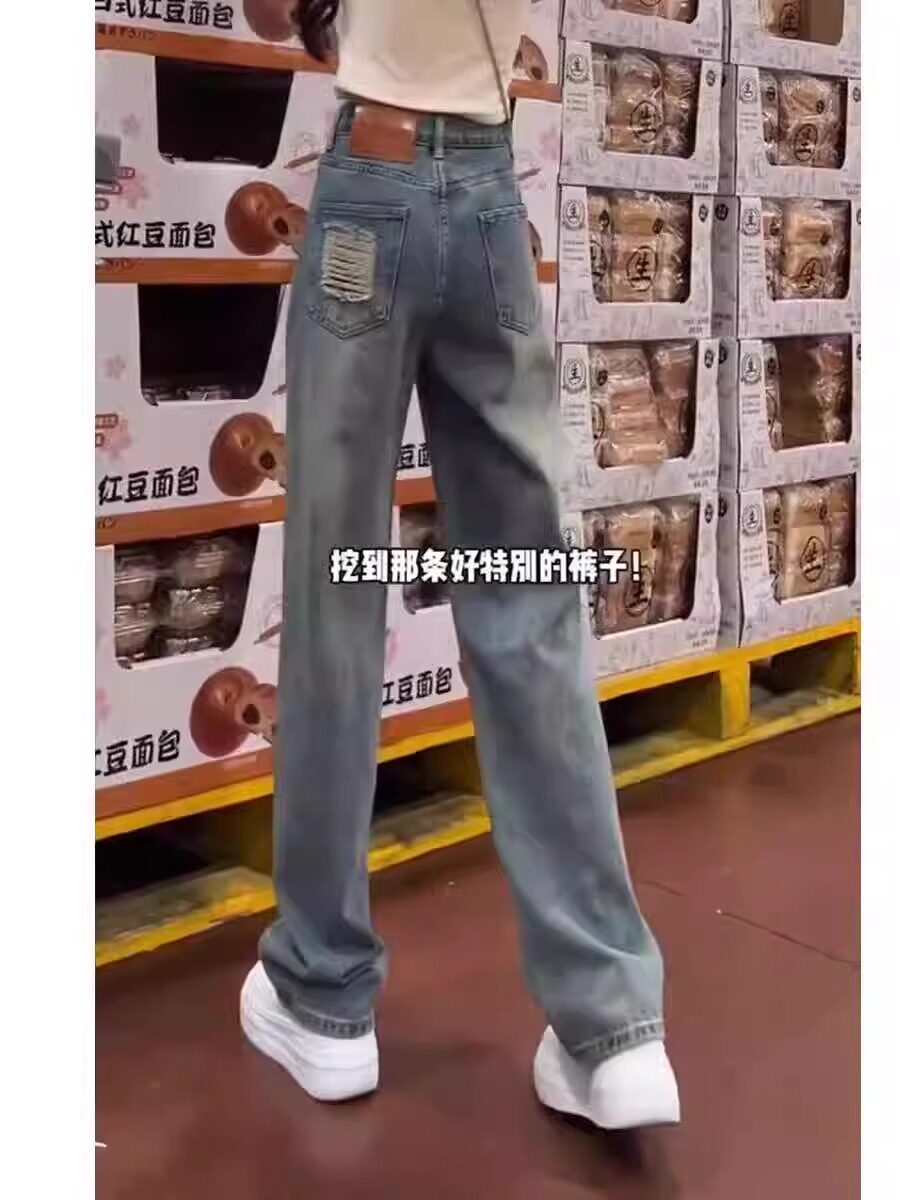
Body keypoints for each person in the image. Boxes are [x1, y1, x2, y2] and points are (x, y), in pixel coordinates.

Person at [240, 0, 680, 1131]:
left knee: (335, 599)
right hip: (488, 193)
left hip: (369, 189)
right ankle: (613, 1026)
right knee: (530, 602)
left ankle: (323, 994)